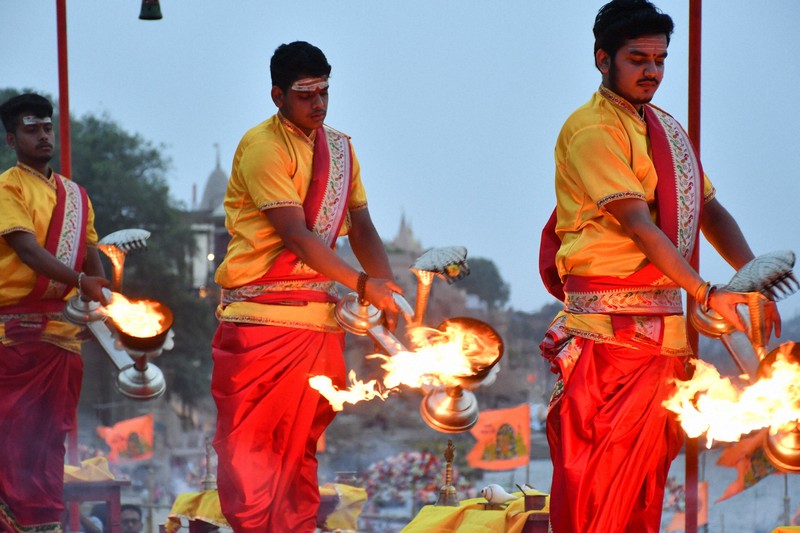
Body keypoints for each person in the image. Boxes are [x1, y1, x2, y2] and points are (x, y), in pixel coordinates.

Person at [537, 1, 782, 531]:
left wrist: (752, 278)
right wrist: (706, 292)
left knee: (645, 494)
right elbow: (637, 224)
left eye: (660, 60)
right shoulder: (591, 130)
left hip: (664, 340)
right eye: (638, 59)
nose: (652, 71)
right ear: (603, 59)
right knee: (594, 490)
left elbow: (708, 211)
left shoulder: (667, 130)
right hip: (608, 341)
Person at [211, 41, 402, 532]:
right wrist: (364, 284)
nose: (318, 104)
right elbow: (296, 235)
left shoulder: (340, 149)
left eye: (324, 92)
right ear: (277, 96)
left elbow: (361, 226)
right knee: (249, 456)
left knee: (300, 454)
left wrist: (387, 287)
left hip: (318, 327)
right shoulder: (262, 147)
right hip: (259, 325)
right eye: (305, 95)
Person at [0, 93, 110, 532]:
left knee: (51, 440)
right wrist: (82, 281)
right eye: (31, 129)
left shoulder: (76, 196)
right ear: (12, 139)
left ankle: (44, 523)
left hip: (64, 338)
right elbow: (27, 250)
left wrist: (105, 295)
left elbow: (91, 258)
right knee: (15, 439)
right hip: (16, 337)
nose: (43, 136)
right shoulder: (8, 187)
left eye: (47, 128)